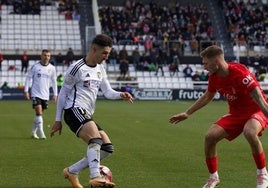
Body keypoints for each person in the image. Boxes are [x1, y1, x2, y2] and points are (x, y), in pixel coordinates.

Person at [169, 45, 268, 188]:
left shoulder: (240, 73)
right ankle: (213, 177)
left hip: (256, 110)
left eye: (206, 63)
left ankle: (262, 173)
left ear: (216, 62)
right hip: (236, 113)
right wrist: (187, 113)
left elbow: (258, 97)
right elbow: (208, 96)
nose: (204, 67)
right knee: (210, 137)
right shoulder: (214, 77)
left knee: (250, 132)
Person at [50, 34, 133, 188]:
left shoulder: (101, 69)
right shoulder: (77, 68)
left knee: (107, 148)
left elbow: (107, 92)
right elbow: (63, 94)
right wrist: (57, 120)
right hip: (73, 110)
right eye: (105, 53)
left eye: (108, 53)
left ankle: (72, 171)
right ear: (94, 49)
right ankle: (96, 177)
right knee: (95, 140)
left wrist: (120, 94)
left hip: (86, 113)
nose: (107, 57)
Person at [24, 49, 58, 139]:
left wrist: (55, 94)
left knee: (39, 114)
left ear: (50, 57)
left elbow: (54, 82)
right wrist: (26, 91)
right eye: (44, 55)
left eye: (48, 56)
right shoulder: (35, 66)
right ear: (41, 56)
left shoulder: (52, 68)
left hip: (45, 94)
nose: (46, 57)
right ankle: (41, 132)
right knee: (38, 111)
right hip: (35, 93)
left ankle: (33, 132)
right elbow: (28, 78)